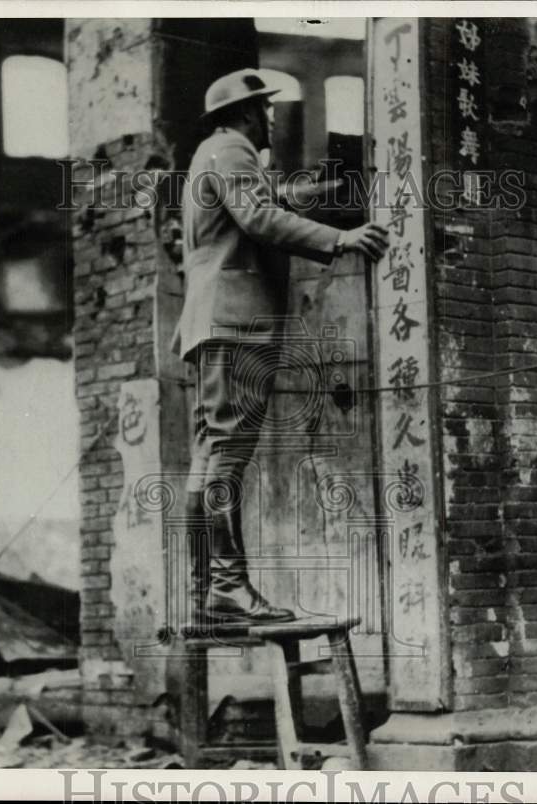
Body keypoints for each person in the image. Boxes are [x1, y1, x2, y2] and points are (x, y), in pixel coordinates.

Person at [172, 68, 390, 624]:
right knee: (225, 455)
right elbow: (259, 216)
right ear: (245, 113)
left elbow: (263, 204)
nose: (271, 118)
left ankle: (207, 595)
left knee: (213, 456)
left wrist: (324, 200)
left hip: (216, 322)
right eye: (265, 109)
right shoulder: (230, 149)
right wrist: (339, 238)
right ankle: (225, 589)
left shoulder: (214, 155)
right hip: (235, 322)